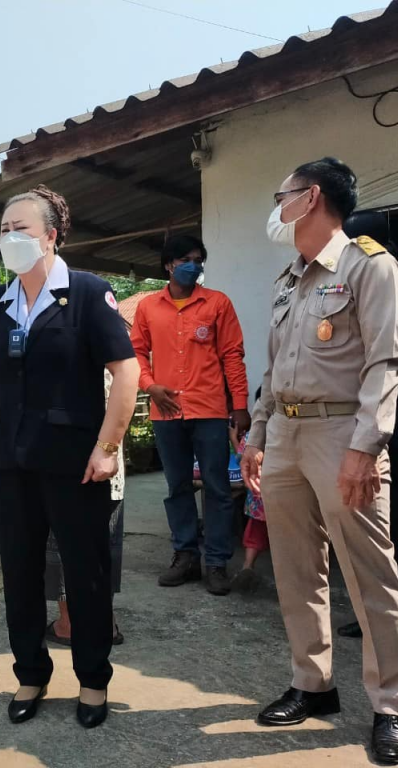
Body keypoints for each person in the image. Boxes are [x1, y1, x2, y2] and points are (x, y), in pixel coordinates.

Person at [241, 158, 398, 764]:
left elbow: (386, 364)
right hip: (285, 434)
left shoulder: (370, 266)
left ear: (310, 197)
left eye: (281, 196)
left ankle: (391, 707)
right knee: (295, 569)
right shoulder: (288, 279)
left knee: (370, 575)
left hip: (344, 434)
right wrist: (257, 435)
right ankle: (312, 684)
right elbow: (273, 369)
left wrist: (366, 447)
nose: (277, 208)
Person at [0, 185, 139, 729]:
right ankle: (30, 674)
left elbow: (126, 371)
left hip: (75, 463)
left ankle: (92, 680)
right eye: (3, 229)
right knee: (18, 572)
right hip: (13, 462)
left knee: (85, 573)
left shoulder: (87, 293)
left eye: (20, 228)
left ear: (52, 236)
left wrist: (108, 447)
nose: (10, 237)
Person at [336, 211, 398, 650]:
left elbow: (383, 360)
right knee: (374, 533)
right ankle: (377, 619)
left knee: (396, 532)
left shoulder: (380, 274)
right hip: (371, 421)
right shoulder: (364, 276)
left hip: (385, 426)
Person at [130, 234, 249, 595]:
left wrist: (240, 405)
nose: (193, 266)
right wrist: (150, 385)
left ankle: (216, 562)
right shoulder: (148, 307)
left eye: (198, 260)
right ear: (169, 265)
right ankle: (185, 556)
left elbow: (232, 355)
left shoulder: (217, 303)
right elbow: (135, 353)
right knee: (178, 486)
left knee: (217, 487)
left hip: (209, 410)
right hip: (166, 412)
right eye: (185, 260)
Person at [45, 369, 126, 645]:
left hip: (68, 456)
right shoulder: (114, 345)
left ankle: (70, 623)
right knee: (105, 543)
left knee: (62, 544)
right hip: (108, 457)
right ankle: (105, 620)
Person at [230, 388, 268, 594]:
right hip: (285, 499)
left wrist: (233, 438)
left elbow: (241, 457)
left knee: (254, 533)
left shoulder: (254, 435)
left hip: (259, 498)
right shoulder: (287, 430)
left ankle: (247, 566)